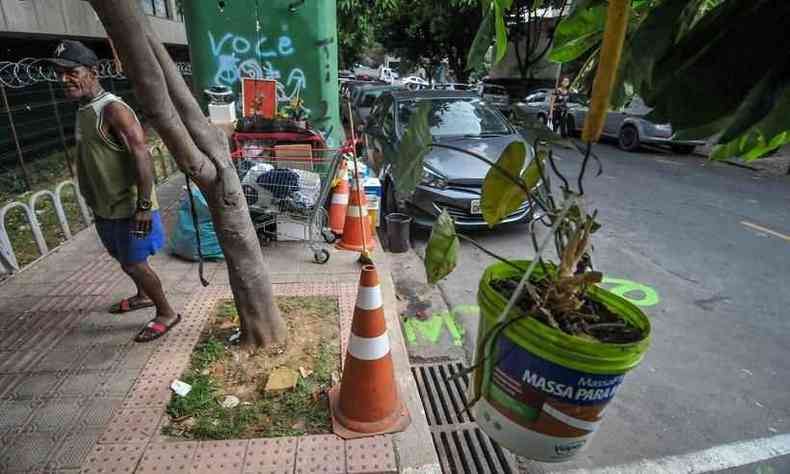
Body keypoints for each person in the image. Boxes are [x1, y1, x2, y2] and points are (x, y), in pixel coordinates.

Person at [47, 40, 180, 342]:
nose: (64, 79)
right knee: (122, 258)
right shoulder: (85, 109)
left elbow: (142, 154)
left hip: (130, 206)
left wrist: (144, 205)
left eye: (72, 72)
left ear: (93, 72)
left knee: (134, 262)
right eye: (59, 73)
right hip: (105, 205)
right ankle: (142, 295)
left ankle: (165, 312)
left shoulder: (113, 110)